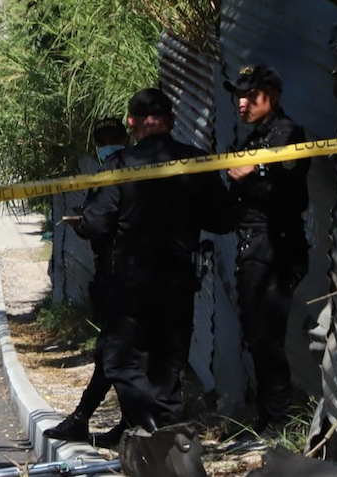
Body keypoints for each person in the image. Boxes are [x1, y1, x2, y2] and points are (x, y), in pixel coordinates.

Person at [80, 89, 232, 434]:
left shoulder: (118, 166)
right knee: (168, 363)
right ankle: (164, 439)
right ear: (172, 121)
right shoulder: (196, 161)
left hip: (132, 281)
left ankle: (147, 427)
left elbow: (96, 224)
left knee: (120, 359)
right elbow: (223, 220)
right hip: (180, 279)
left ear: (132, 124)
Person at [223, 64, 311, 434]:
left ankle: (279, 421)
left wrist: (255, 170)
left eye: (250, 95)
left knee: (267, 337)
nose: (241, 103)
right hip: (253, 246)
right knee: (257, 336)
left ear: (271, 96)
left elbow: (289, 176)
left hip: (276, 246)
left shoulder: (286, 133)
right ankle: (268, 418)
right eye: (238, 96)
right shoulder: (253, 138)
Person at [44, 117, 128, 443]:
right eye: (102, 138)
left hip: (122, 278)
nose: (106, 144)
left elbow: (99, 224)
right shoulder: (112, 172)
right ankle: (123, 422)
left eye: (111, 138)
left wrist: (83, 223)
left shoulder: (115, 174)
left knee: (112, 352)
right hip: (114, 276)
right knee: (112, 352)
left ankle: (90, 418)